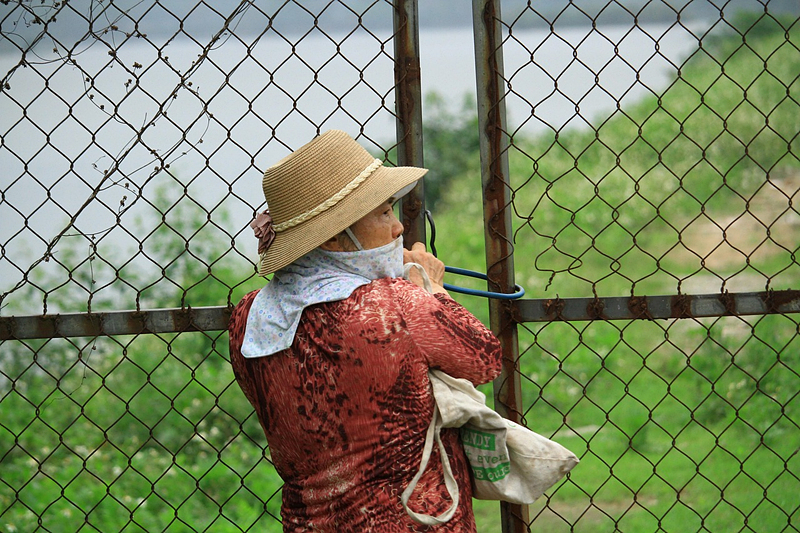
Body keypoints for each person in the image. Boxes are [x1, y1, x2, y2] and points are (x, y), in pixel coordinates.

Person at [228, 130, 502, 532]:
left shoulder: (248, 317)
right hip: (414, 521)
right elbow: (484, 358)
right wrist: (432, 287)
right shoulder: (394, 305)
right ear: (337, 237)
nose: (397, 229)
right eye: (384, 212)